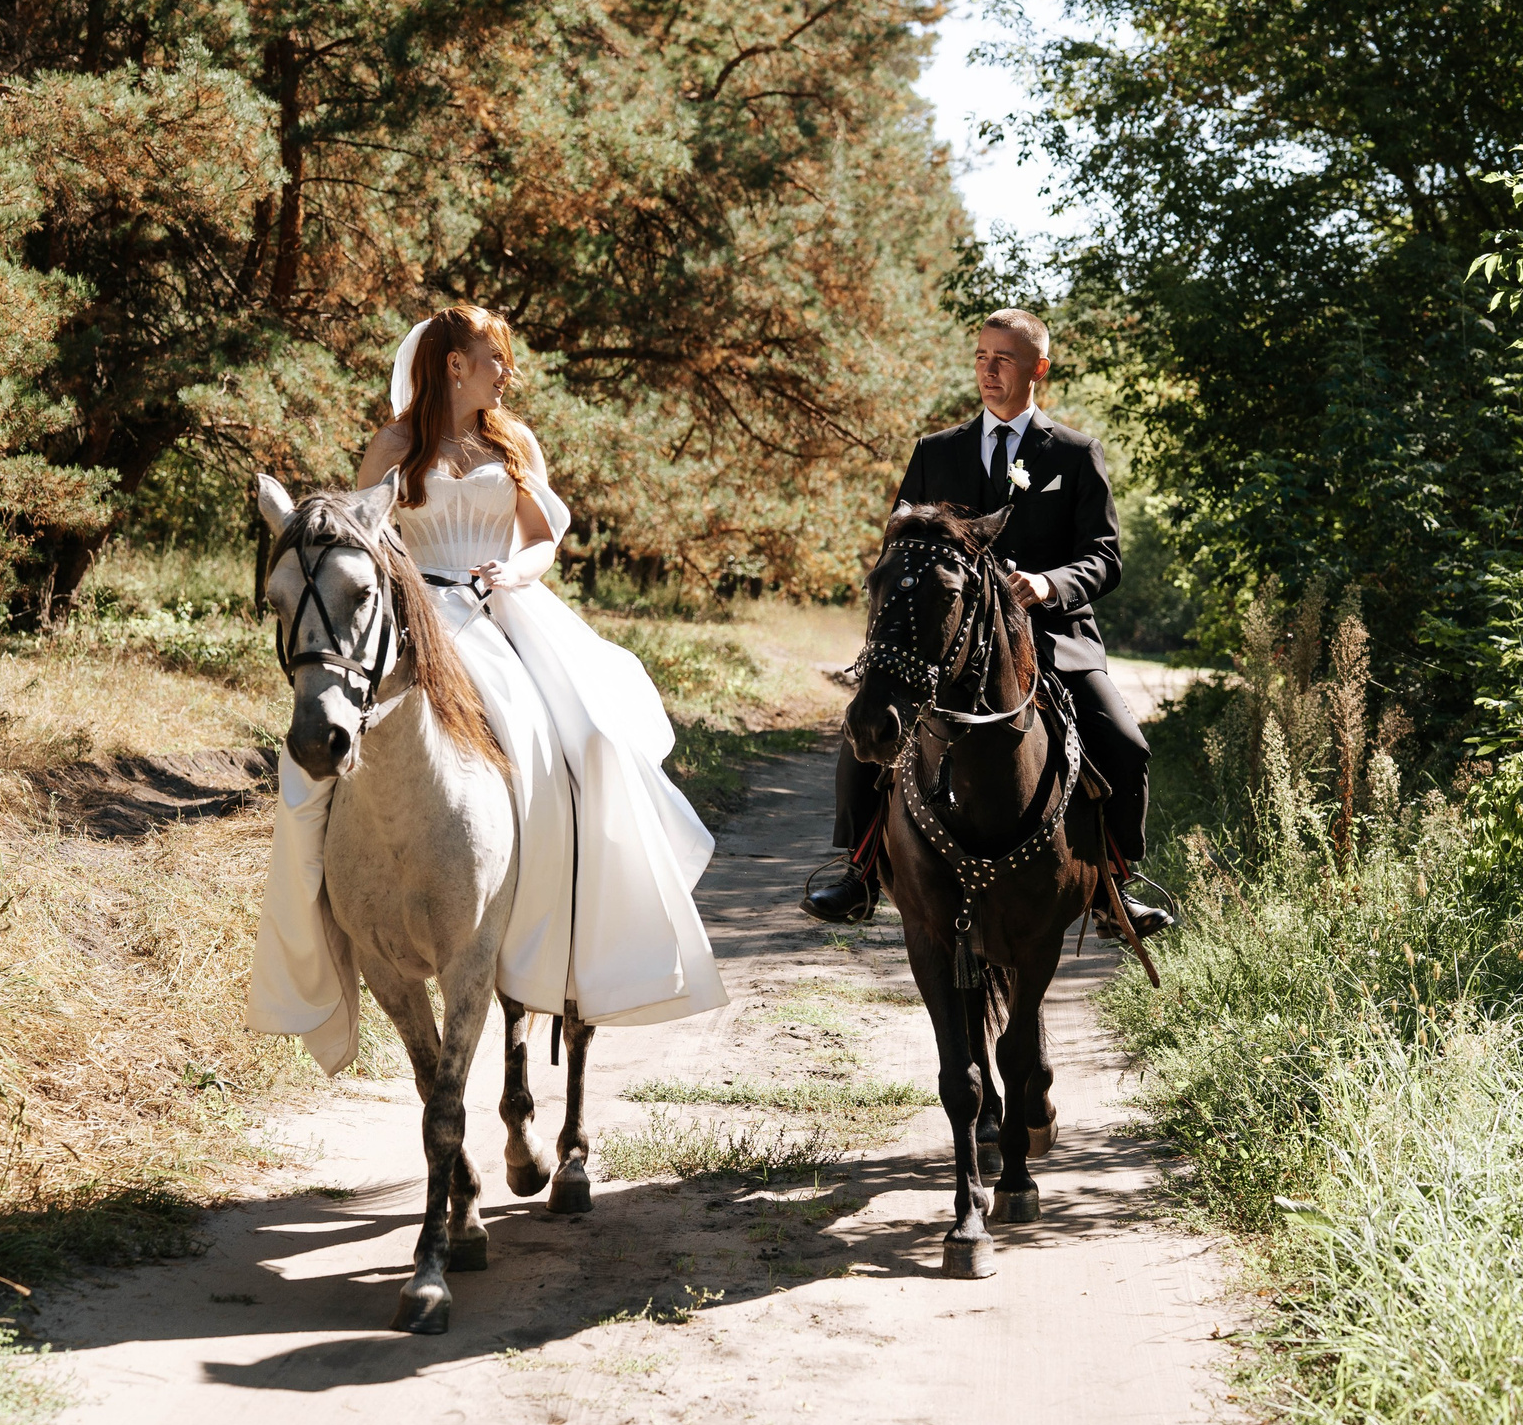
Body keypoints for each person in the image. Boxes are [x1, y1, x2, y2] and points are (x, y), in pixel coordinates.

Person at [247, 305, 727, 1073]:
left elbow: (541, 535)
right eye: (493, 358)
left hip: (502, 602)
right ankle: (319, 919)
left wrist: (515, 572)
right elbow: (359, 545)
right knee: (317, 765)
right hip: (416, 613)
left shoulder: (513, 441)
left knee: (590, 738)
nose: (506, 372)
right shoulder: (394, 445)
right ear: (453, 366)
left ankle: (569, 907)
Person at [802, 308, 1170, 932]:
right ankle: (859, 870)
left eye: (1003, 359)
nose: (988, 370)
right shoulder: (935, 452)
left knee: (1126, 748)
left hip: (1052, 639)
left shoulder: (1078, 455)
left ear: (1038, 370)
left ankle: (1114, 887)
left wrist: (1051, 584)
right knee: (865, 728)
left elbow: (1105, 558)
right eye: (981, 356)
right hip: (941, 638)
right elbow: (899, 546)